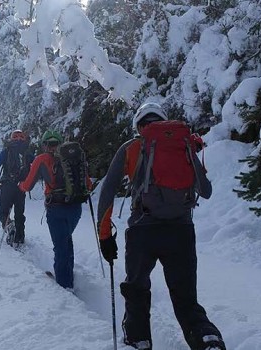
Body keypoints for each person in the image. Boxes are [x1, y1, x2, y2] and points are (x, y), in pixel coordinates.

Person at [95, 103, 226, 350]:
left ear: (139, 125)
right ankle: (207, 338)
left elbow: (108, 189)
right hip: (181, 231)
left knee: (136, 290)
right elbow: (205, 190)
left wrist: (104, 236)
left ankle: (139, 341)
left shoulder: (132, 147)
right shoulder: (183, 145)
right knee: (186, 297)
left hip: (142, 231)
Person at [18, 130, 92, 290]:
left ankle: (65, 285)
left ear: (45, 145)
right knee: (66, 240)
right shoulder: (75, 158)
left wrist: (20, 186)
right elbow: (88, 184)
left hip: (56, 208)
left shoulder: (41, 159)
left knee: (60, 246)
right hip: (75, 208)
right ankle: (67, 274)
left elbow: (28, 185)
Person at [0, 130, 34, 247]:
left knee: (3, 211)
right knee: (19, 212)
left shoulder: (6, 151)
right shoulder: (27, 152)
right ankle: (20, 237)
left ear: (11, 139)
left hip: (7, 184)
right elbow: (37, 164)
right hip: (21, 186)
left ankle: (9, 225)